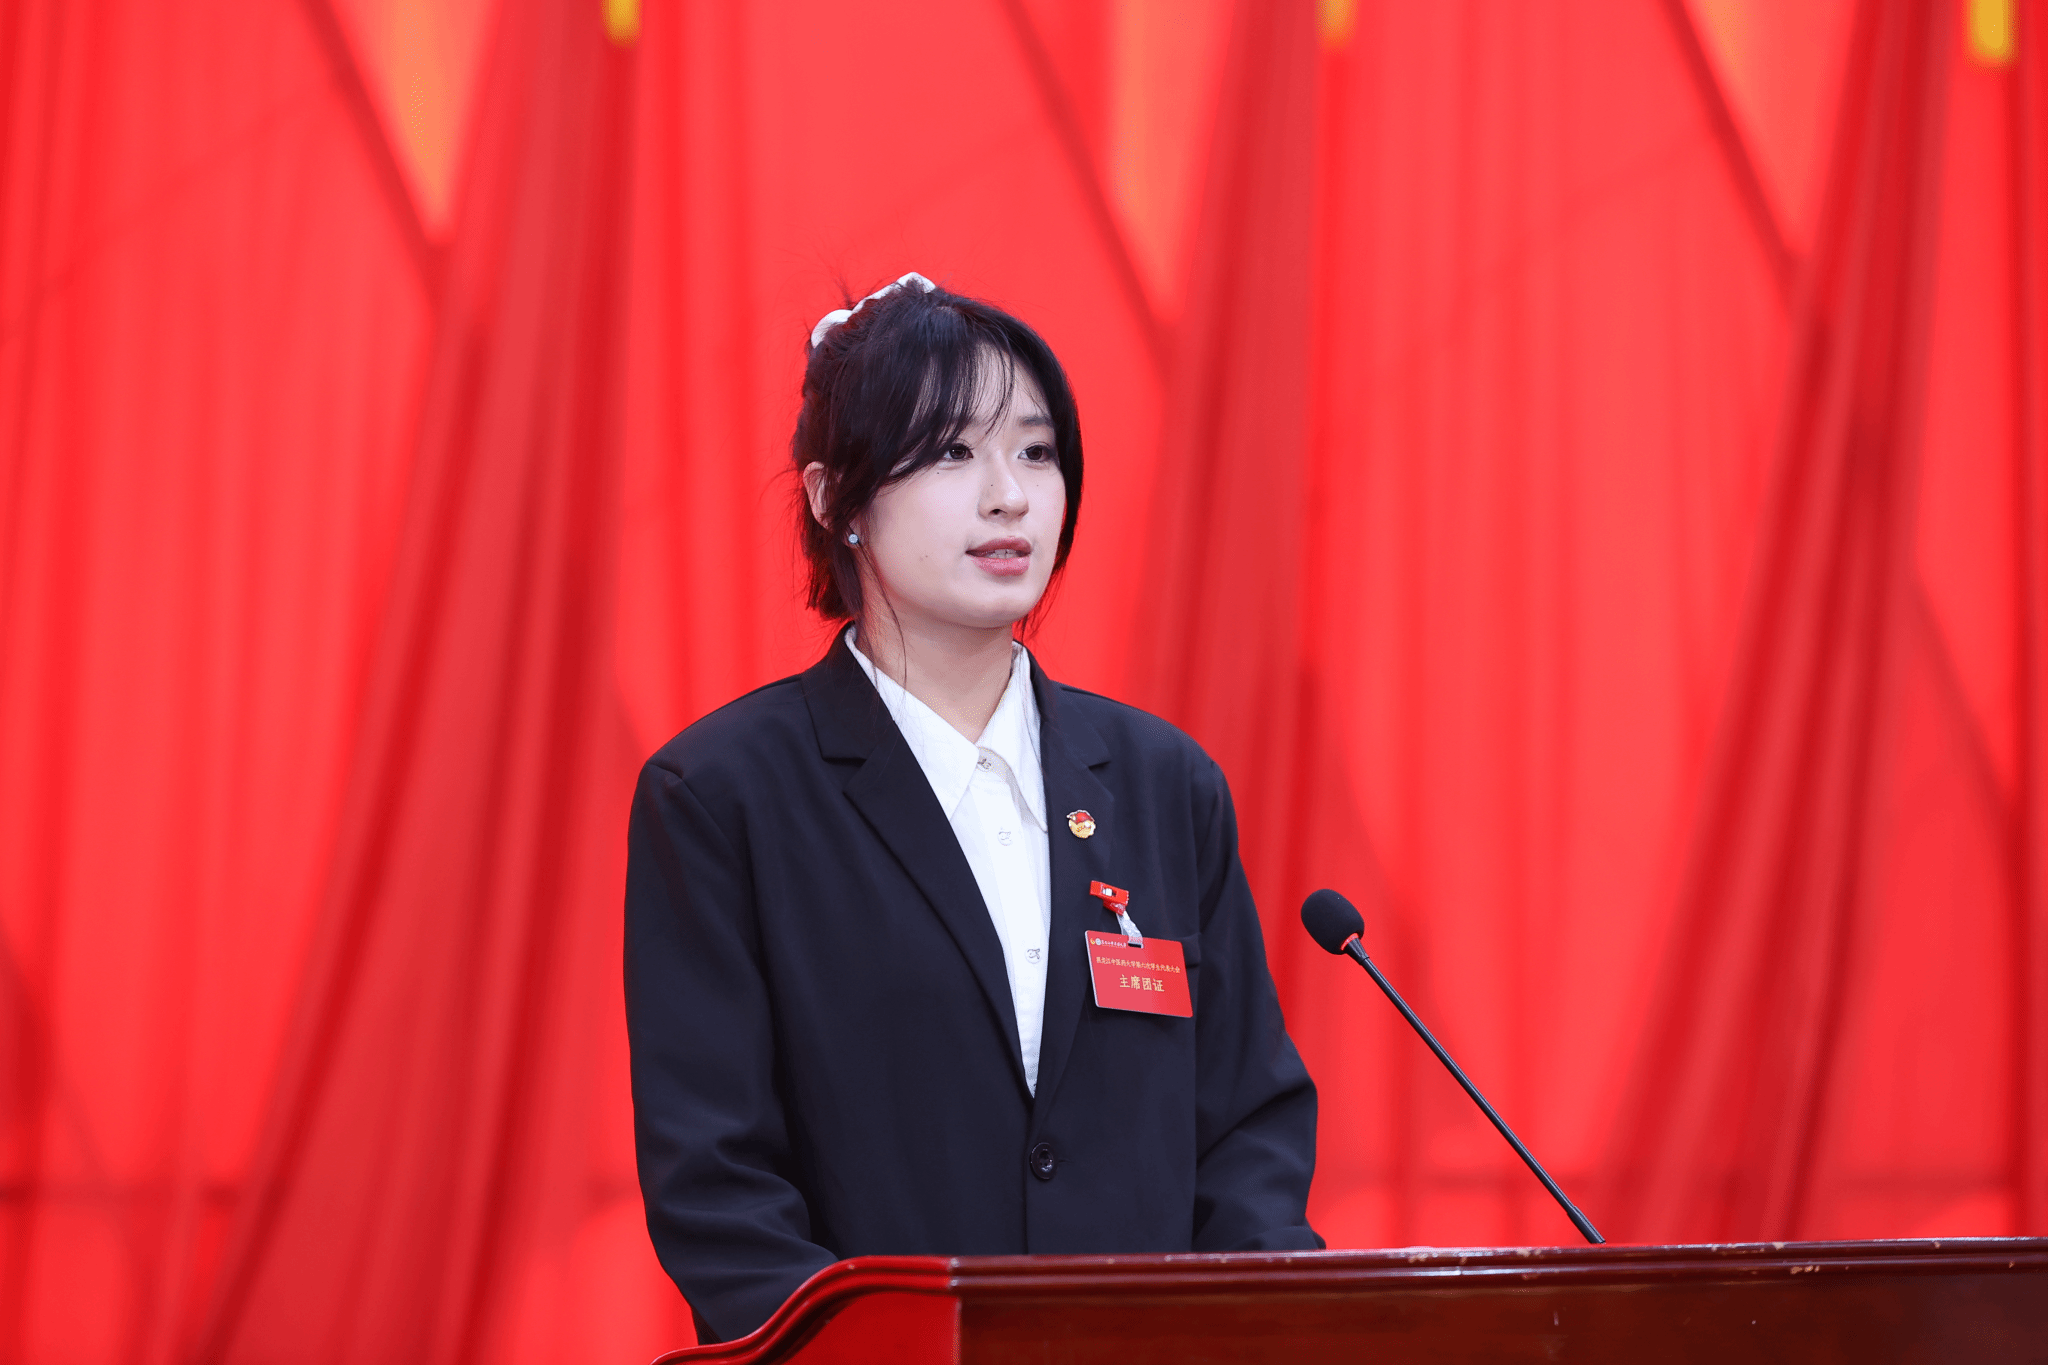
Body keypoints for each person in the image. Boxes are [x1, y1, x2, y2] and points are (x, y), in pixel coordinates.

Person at [624, 273, 1321, 1344]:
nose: (1009, 497)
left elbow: (1247, 1132)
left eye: (1036, 452)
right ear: (832, 498)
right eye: (951, 452)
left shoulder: (1163, 784)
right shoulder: (724, 797)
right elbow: (720, 1191)